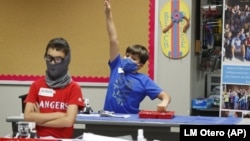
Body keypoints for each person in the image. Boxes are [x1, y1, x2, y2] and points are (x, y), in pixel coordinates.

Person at [103, 0, 171, 114]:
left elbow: (165, 96)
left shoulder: (144, 80)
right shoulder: (117, 66)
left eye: (133, 58)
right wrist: (108, 14)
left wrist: (164, 102)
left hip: (130, 120)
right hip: (108, 117)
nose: (128, 59)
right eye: (127, 55)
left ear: (140, 65)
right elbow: (113, 40)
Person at [24, 37, 84, 139]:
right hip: (40, 139)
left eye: (58, 59)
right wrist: (59, 115)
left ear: (66, 61)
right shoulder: (36, 85)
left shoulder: (74, 88)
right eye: (49, 58)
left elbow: (68, 121)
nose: (52, 63)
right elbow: (28, 116)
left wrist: (40, 121)